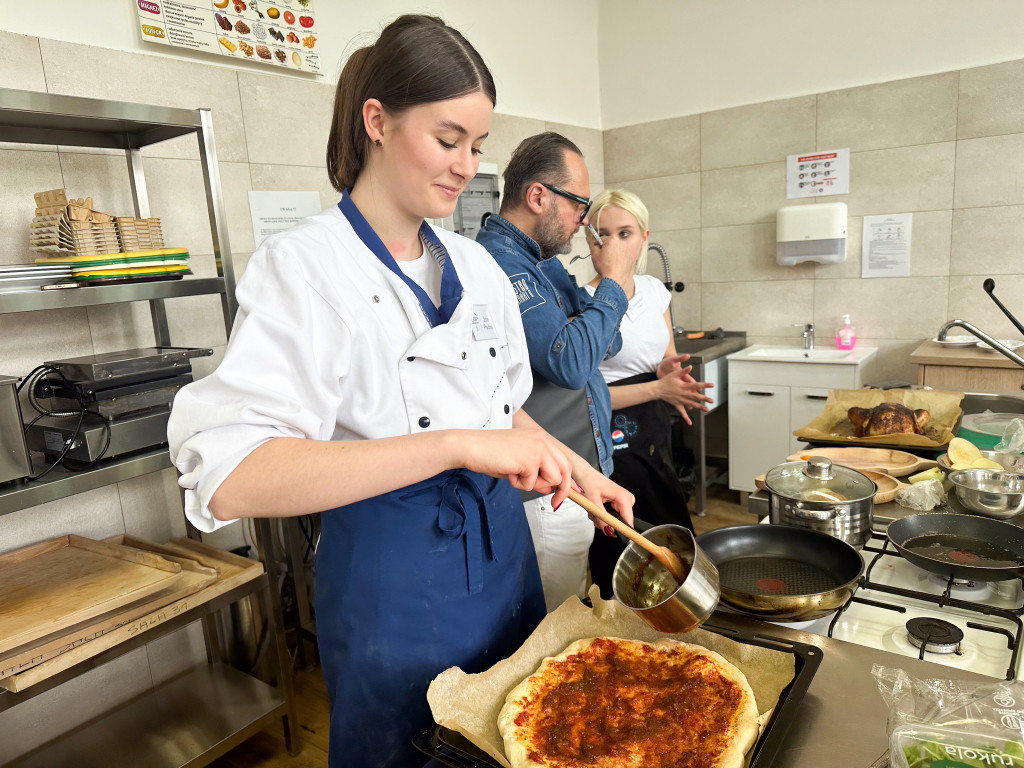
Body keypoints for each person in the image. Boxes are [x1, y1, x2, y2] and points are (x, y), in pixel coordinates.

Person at [166, 16, 632, 768]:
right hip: (394, 581)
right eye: (448, 140)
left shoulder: (477, 269)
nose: (465, 165)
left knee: (520, 737)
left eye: (476, 146)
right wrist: (453, 446)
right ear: (376, 121)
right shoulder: (306, 268)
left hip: (504, 562)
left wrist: (585, 473)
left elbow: (499, 409)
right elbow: (230, 474)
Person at [477, 133, 638, 610]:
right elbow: (570, 362)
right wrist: (612, 283)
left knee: (569, 601)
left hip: (576, 473)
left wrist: (594, 312)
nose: (584, 221)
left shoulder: (542, 265)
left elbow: (608, 343)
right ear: (538, 196)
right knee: (553, 619)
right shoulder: (502, 264)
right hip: (546, 488)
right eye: (578, 205)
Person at [582, 189, 714, 597]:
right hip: (609, 428)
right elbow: (584, 396)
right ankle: (621, 605)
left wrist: (669, 373)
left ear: (644, 237)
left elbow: (665, 354)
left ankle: (678, 597)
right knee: (623, 522)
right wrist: (659, 387)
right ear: (588, 241)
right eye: (602, 235)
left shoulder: (656, 291)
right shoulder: (582, 301)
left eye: (625, 234)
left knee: (667, 505)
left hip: (654, 423)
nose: (613, 245)